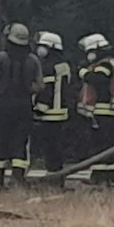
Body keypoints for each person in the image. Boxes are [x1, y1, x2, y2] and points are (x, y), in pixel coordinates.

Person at [0, 23, 41, 189]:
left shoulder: (2, 57)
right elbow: (40, 84)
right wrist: (29, 89)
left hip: (4, 106)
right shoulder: (33, 60)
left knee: (1, 141)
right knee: (21, 143)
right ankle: (18, 179)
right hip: (24, 107)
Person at [78, 33, 114, 187]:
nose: (88, 55)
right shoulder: (103, 64)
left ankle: (102, 177)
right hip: (101, 112)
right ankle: (103, 176)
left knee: (101, 146)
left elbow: (97, 80)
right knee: (101, 146)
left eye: (89, 51)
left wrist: (83, 73)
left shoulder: (105, 65)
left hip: (104, 112)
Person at [29, 31, 73, 176]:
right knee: (56, 146)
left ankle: (53, 175)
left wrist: (38, 109)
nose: (39, 49)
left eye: (43, 46)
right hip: (61, 111)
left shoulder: (48, 66)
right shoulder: (63, 64)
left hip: (49, 113)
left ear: (51, 47)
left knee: (50, 146)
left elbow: (46, 91)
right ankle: (57, 175)